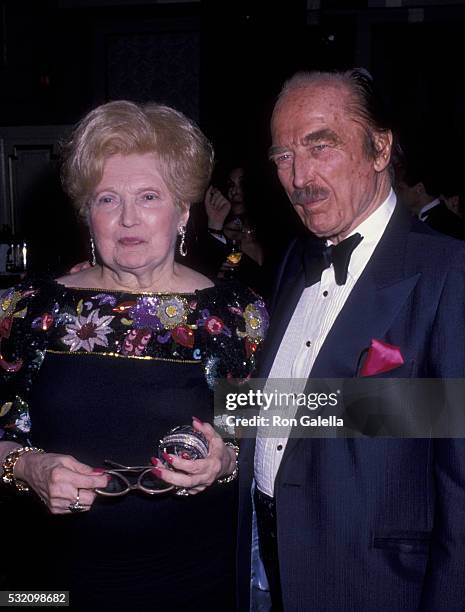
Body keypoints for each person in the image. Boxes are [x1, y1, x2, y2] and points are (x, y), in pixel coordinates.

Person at [0, 100, 268, 611]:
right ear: (87, 213)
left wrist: (226, 461)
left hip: (196, 584)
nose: (127, 218)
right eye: (107, 199)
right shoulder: (29, 309)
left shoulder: (238, 314)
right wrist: (26, 466)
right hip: (47, 588)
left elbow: (259, 439)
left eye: (149, 196)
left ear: (183, 211)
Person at [237, 69, 465, 611]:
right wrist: (225, 434)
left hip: (372, 583)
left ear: (381, 148)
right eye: (283, 157)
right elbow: (297, 407)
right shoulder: (296, 257)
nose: (299, 178)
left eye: (322, 147)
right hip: (263, 568)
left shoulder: (448, 272)